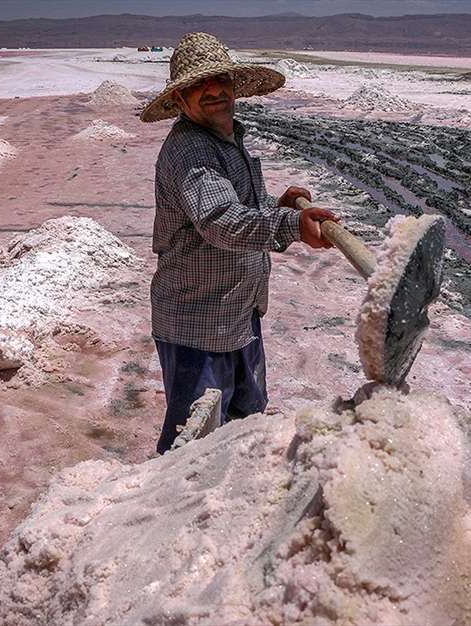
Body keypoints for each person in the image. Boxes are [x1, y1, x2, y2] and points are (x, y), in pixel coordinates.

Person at [140, 32, 338, 453]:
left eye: (219, 79)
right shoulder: (189, 151)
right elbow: (220, 223)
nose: (213, 90)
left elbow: (238, 205)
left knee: (244, 426)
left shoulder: (228, 140)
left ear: (233, 83)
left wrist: (276, 205)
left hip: (237, 314)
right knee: (192, 446)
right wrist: (289, 225)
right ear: (179, 98)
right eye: (198, 84)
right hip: (197, 324)